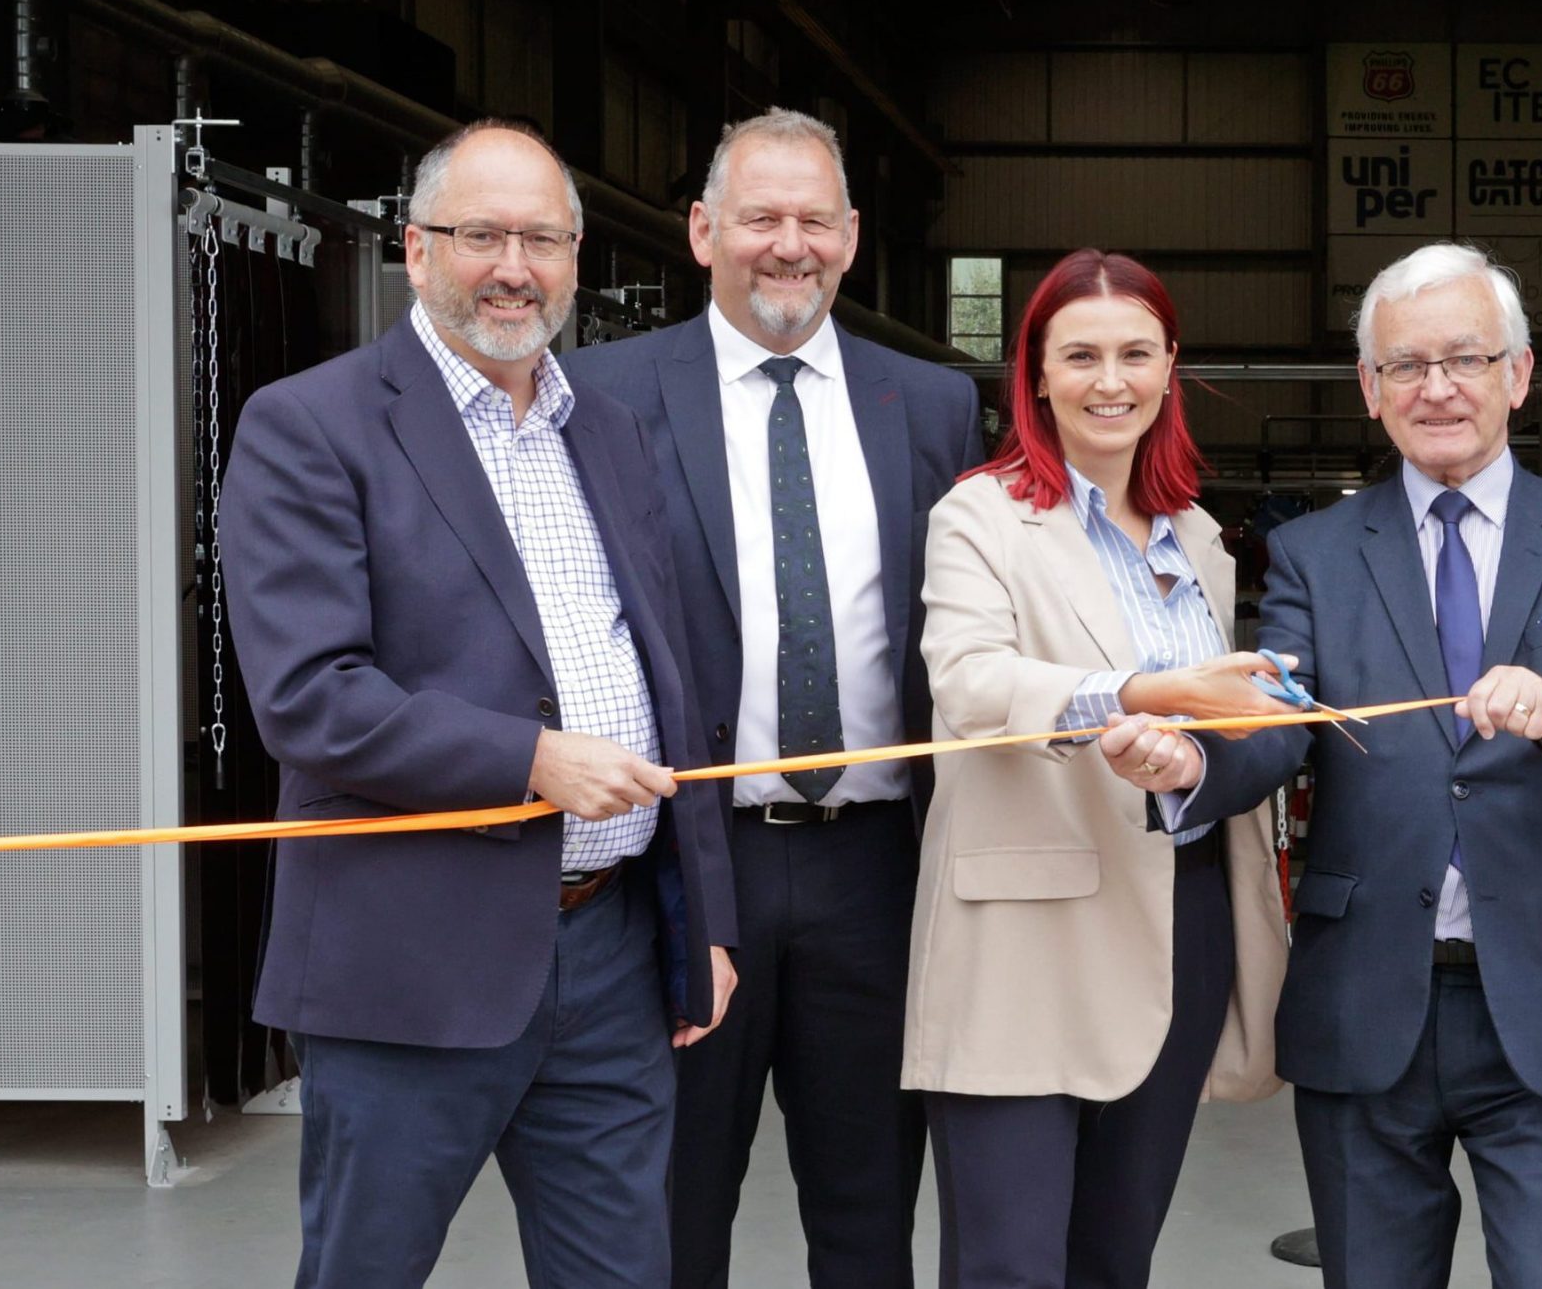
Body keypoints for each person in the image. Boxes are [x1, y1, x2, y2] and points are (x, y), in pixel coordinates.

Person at [220, 119, 736, 1288]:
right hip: (412, 957)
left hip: (609, 954)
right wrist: (531, 759)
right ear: (415, 250)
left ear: (575, 253)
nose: (516, 266)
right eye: (482, 235)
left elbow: (670, 674)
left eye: (543, 239)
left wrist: (701, 920)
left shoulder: (606, 431)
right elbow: (311, 697)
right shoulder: (313, 424)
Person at [1192, 242, 1542, 1288]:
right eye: (1407, 366)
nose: (1438, 389)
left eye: (1465, 359)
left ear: (1517, 375)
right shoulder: (1315, 556)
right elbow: (1278, 726)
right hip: (1367, 995)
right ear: (1370, 391)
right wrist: (1187, 768)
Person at [560, 107, 981, 1288]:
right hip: (692, 865)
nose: (786, 244)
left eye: (812, 219)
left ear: (849, 237)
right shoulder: (602, 394)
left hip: (877, 868)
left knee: (869, 1215)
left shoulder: (931, 405)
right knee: (671, 1212)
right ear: (702, 232)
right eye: (759, 218)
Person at [904, 248, 1292, 1289]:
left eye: (1134, 353)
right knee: (1010, 1267)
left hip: (1180, 917)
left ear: (1171, 366)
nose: (1108, 380)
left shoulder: (1197, 536)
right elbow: (970, 684)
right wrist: (1146, 694)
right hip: (1025, 929)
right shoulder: (979, 516)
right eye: (1080, 355)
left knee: (1114, 1261)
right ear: (1033, 373)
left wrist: (1251, 708)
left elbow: (1221, 722)